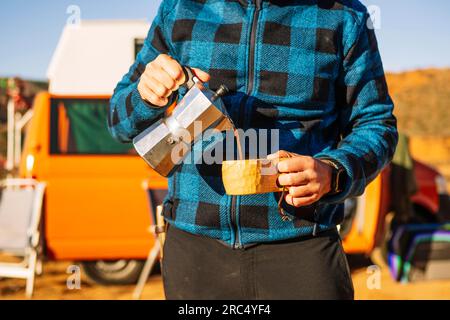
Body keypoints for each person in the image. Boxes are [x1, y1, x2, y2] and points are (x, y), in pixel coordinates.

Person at [108, 0, 398, 300]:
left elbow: (377, 124)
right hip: (194, 249)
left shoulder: (343, 16)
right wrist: (146, 96)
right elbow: (118, 122)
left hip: (302, 244)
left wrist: (333, 172)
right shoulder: (180, 8)